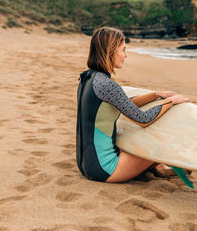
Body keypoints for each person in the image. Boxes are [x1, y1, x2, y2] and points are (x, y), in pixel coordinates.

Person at [76, 27, 189, 183]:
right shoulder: (106, 85)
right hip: (104, 169)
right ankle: (157, 166)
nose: (125, 55)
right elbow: (143, 119)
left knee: (135, 139)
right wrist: (171, 101)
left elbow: (123, 104)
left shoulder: (87, 78)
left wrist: (156, 95)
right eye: (123, 50)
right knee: (159, 142)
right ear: (110, 51)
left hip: (85, 163)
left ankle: (157, 167)